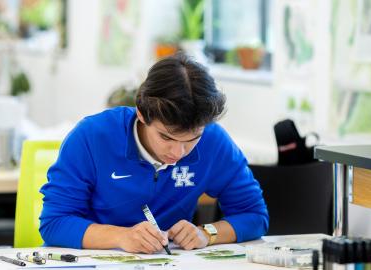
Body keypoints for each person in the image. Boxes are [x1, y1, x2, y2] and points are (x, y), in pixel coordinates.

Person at [39, 54, 268, 253]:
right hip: (91, 269)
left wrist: (207, 233)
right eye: (166, 137)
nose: (178, 152)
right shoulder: (92, 137)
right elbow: (55, 223)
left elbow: (254, 215)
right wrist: (121, 237)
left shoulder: (213, 140)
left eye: (192, 139)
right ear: (141, 115)